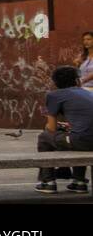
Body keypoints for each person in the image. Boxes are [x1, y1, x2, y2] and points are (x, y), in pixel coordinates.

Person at [36, 65, 93, 194]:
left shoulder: (54, 95)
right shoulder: (87, 93)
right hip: (87, 139)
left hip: (83, 141)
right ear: (77, 80)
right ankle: (79, 181)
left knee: (44, 137)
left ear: (55, 82)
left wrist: (57, 127)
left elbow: (50, 128)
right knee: (74, 136)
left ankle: (48, 182)